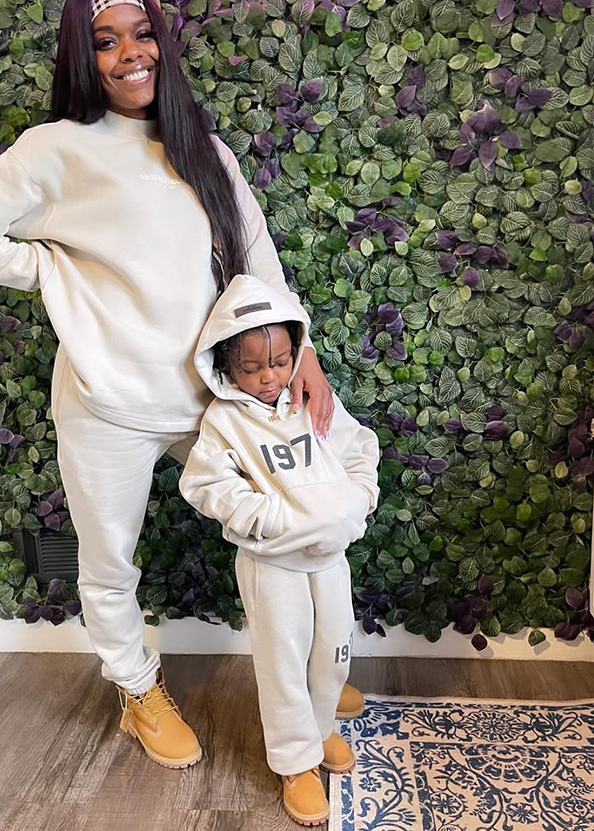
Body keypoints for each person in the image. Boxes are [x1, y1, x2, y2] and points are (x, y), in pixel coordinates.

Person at [0, 0, 365, 770]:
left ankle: (311, 671)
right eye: (105, 41)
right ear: (82, 56)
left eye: (141, 34)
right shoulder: (55, 149)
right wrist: (57, 271)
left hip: (216, 398)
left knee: (285, 528)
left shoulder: (200, 142)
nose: (129, 53)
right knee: (109, 560)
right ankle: (136, 688)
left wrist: (303, 352)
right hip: (108, 403)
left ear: (163, 42)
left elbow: (256, 256)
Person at [179, 275, 380, 825]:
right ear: (225, 365)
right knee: (284, 665)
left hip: (330, 558)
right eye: (252, 367)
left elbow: (360, 446)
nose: (269, 377)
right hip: (273, 565)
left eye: (281, 360)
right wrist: (265, 519)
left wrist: (357, 500)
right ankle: (295, 763)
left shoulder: (308, 400)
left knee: (334, 652)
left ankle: (319, 733)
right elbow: (204, 485)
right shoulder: (224, 421)